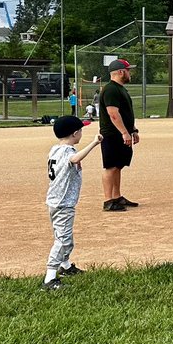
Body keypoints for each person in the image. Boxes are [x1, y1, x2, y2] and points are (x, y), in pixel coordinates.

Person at [42, 116, 103, 290]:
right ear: (75, 133)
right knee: (63, 241)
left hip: (54, 201)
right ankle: (50, 278)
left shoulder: (55, 149)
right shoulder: (68, 152)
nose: (82, 133)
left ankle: (66, 266)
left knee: (62, 236)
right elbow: (74, 159)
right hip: (63, 204)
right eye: (81, 131)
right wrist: (94, 143)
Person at [99, 58, 139, 212]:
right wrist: (124, 133)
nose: (130, 74)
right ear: (121, 72)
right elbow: (113, 114)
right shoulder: (111, 89)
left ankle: (117, 196)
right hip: (112, 135)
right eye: (128, 71)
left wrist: (133, 130)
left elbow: (125, 113)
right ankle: (108, 201)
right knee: (110, 167)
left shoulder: (120, 89)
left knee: (118, 166)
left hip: (122, 134)